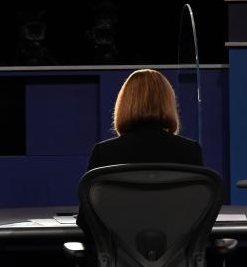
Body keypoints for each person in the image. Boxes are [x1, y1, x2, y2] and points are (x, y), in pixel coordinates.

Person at [78, 68, 202, 234]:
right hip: (176, 256)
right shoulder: (190, 151)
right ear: (169, 104)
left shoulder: (104, 152)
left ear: (124, 104)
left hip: (118, 257)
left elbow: (87, 222)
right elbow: (200, 216)